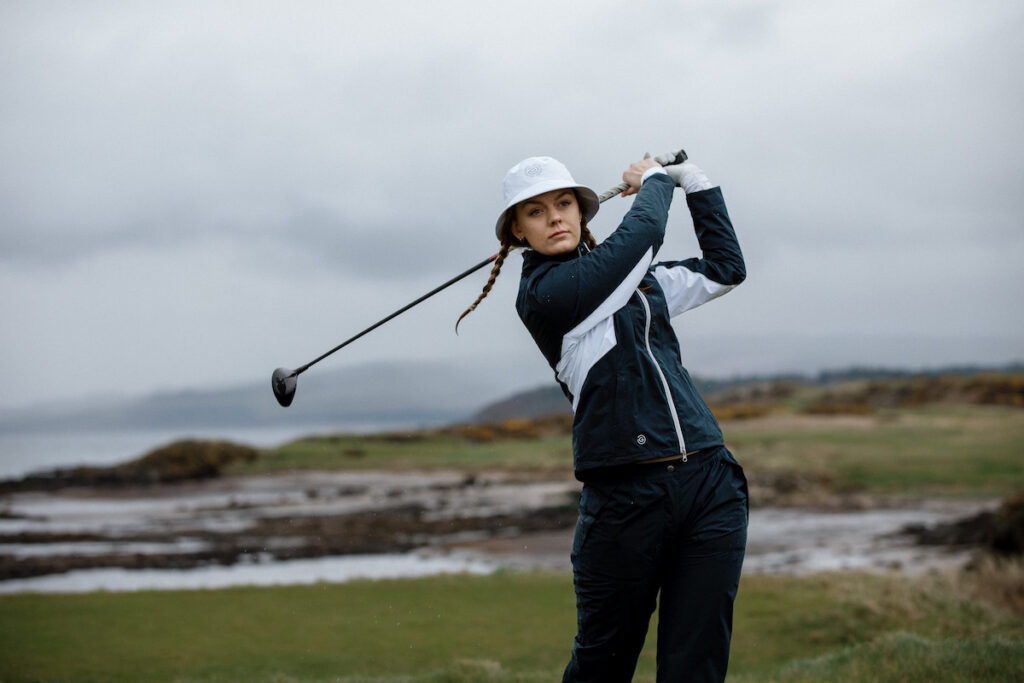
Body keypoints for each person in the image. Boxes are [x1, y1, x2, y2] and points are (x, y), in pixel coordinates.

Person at [458, 153, 748, 682]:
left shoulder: (638, 283)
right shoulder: (547, 296)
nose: (555, 217)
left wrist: (695, 183)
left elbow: (726, 268)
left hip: (710, 483)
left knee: (698, 664)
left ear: (581, 210)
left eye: (564, 204)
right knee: (602, 666)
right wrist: (656, 181)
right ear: (518, 231)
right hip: (625, 499)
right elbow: (640, 239)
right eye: (536, 211)